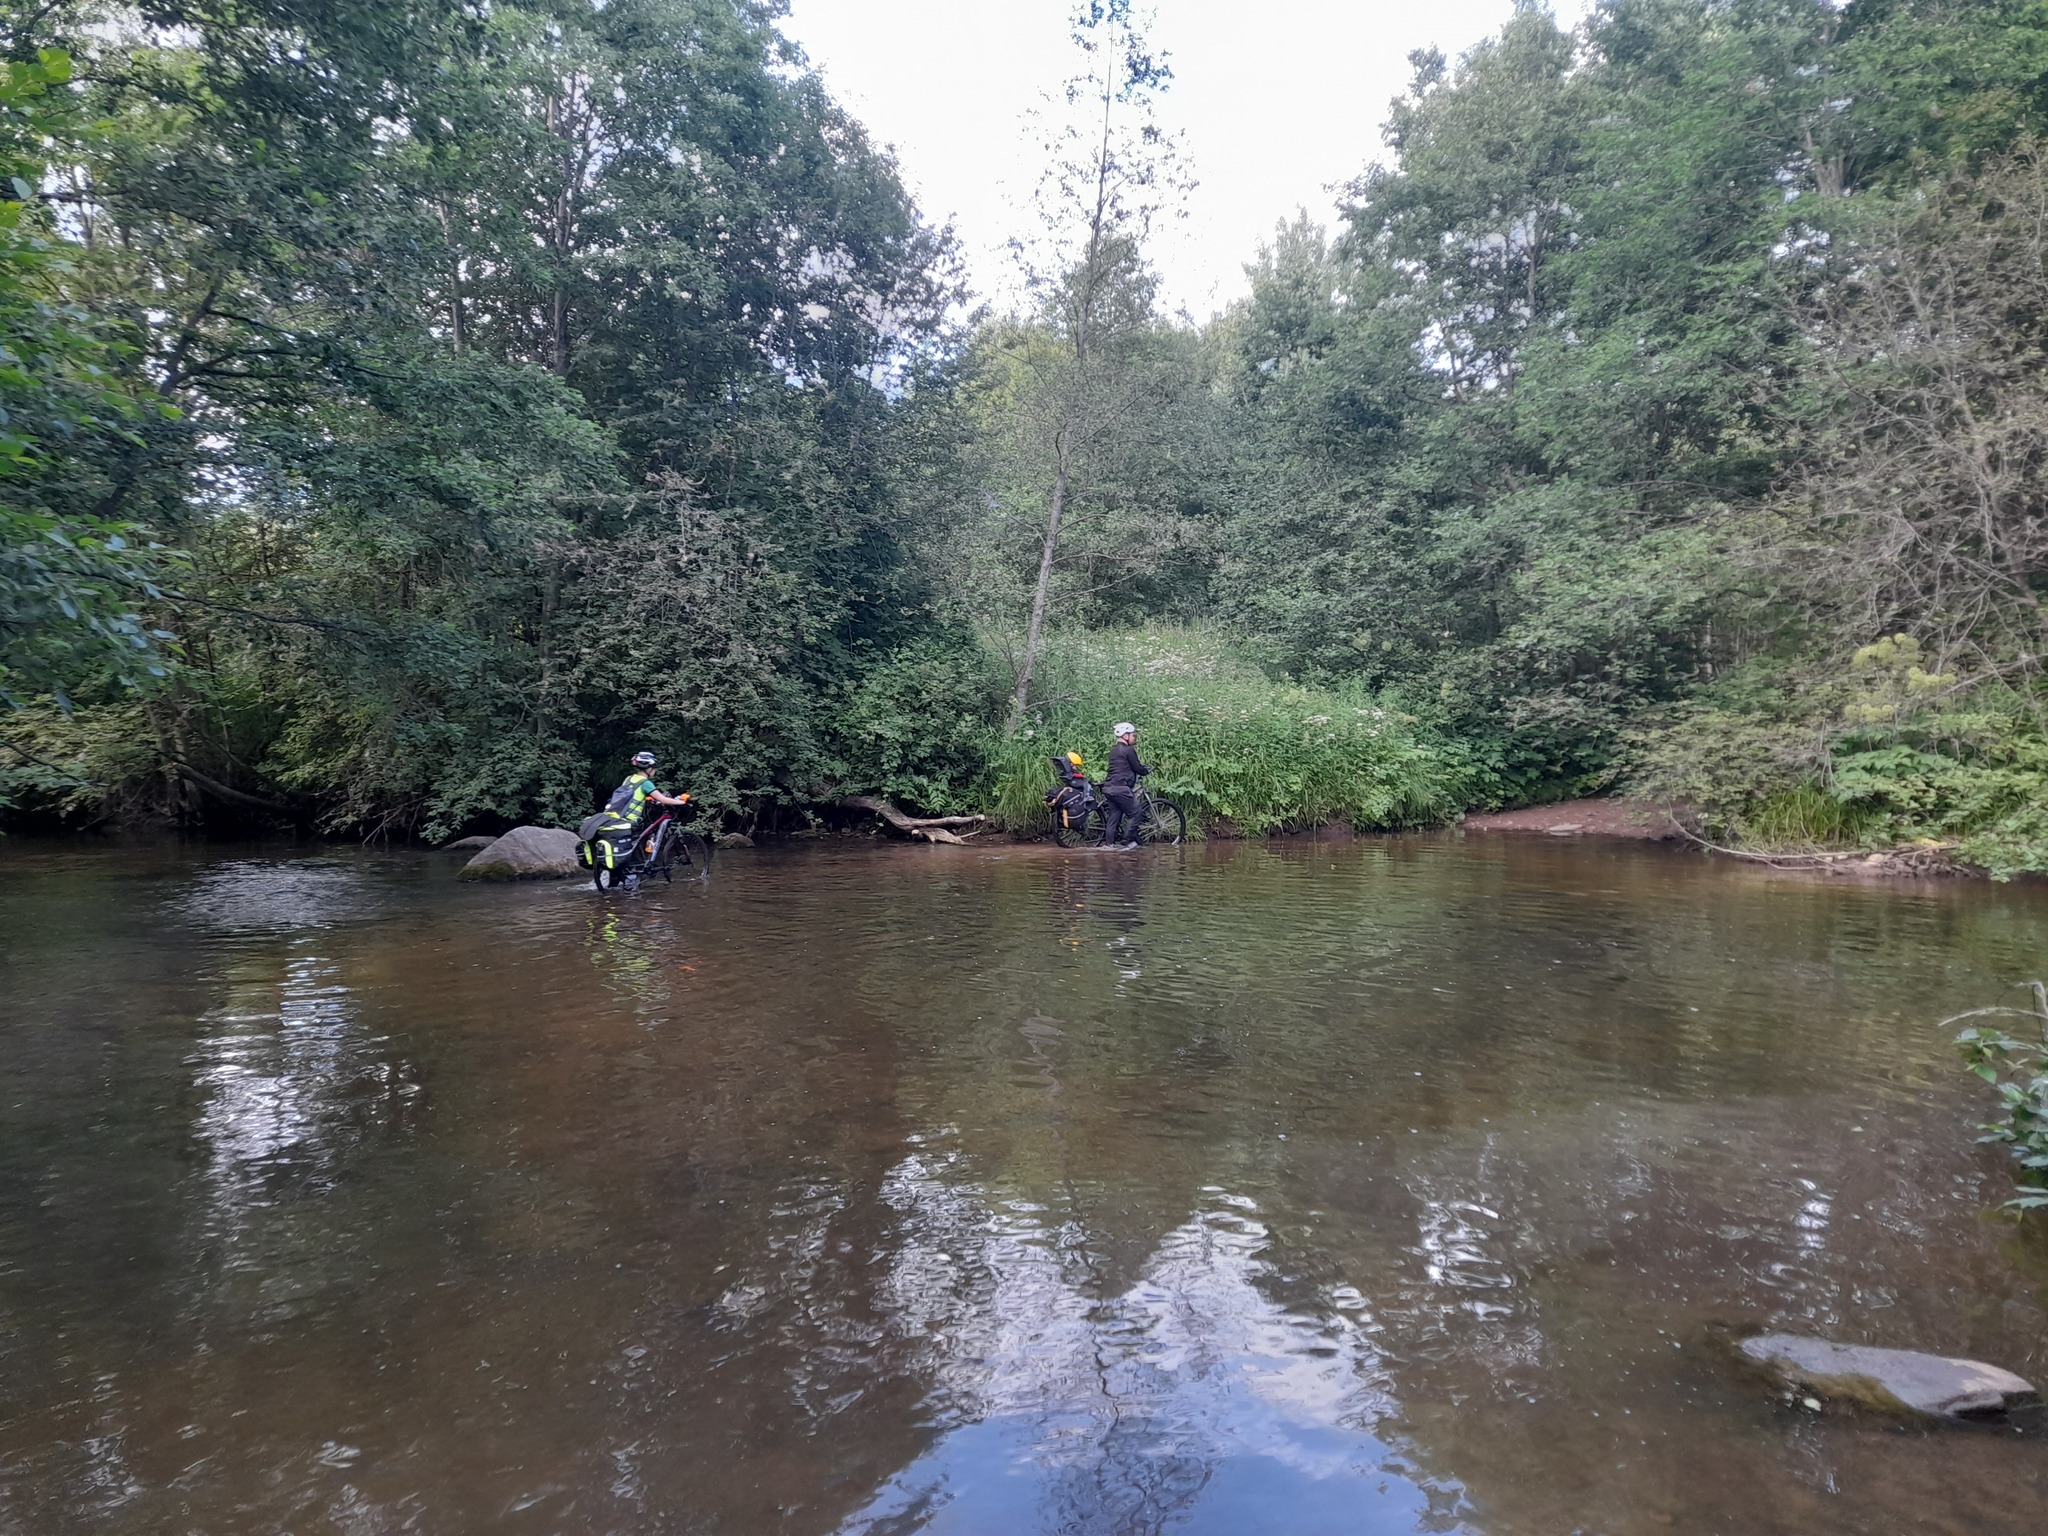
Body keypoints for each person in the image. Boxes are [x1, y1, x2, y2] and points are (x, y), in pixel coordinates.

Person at [603, 750, 690, 833]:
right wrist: (681, 802)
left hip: (619, 815)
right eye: (654, 768)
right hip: (631, 819)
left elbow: (631, 794)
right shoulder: (645, 783)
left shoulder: (629, 778)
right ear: (648, 769)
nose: (655, 770)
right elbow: (663, 799)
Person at [1099, 722, 1150, 849]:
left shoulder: (1113, 750)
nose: (1134, 737)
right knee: (1136, 813)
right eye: (1132, 735)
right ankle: (1126, 842)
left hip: (1109, 787)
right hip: (1121, 788)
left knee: (1114, 817)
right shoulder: (1128, 750)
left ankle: (1110, 845)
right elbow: (1137, 767)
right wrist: (1146, 771)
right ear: (1125, 735)